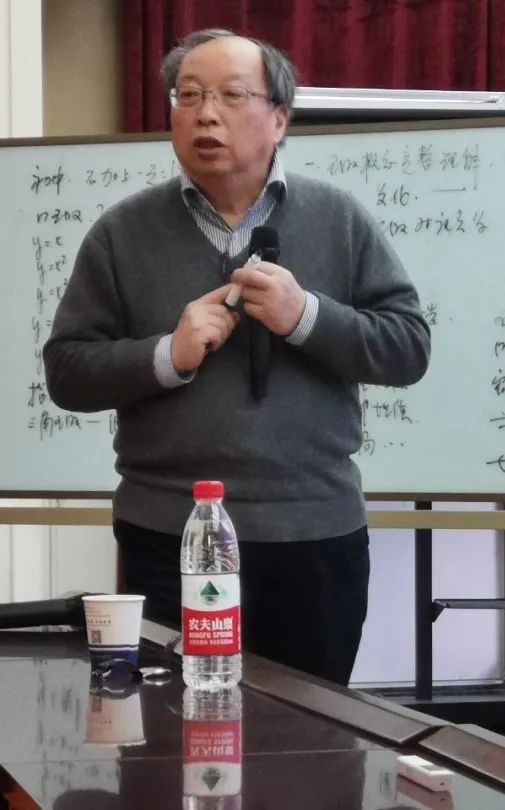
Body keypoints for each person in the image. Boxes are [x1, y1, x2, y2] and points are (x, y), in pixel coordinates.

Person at [43, 29, 430, 686]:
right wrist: (167, 355)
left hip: (313, 532)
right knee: (175, 727)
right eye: (188, 96)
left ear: (278, 118)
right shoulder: (122, 232)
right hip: (167, 533)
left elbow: (407, 348)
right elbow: (67, 373)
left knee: (310, 735)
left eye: (230, 96)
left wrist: (305, 316)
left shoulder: (338, 218)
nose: (205, 115)